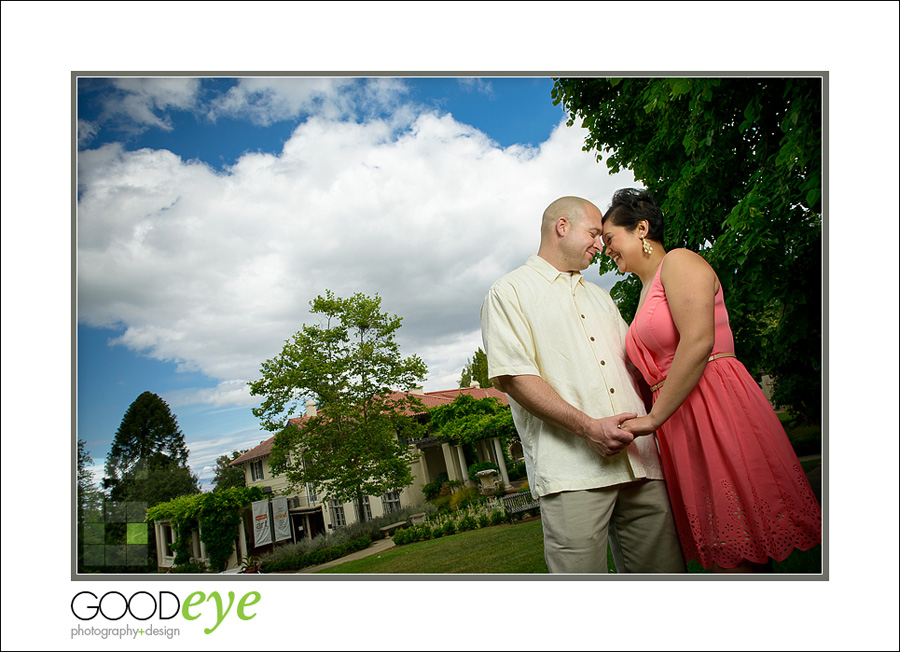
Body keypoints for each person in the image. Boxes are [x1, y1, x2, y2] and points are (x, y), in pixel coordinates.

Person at [602, 187, 822, 572]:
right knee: (724, 550)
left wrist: (653, 419)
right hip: (681, 420)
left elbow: (699, 340)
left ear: (641, 228)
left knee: (742, 542)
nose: (607, 251)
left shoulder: (680, 262)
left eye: (610, 239)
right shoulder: (642, 291)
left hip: (713, 404)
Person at [480, 196, 685, 573]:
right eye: (594, 234)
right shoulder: (508, 293)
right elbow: (514, 377)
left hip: (641, 464)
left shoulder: (601, 297)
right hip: (572, 472)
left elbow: (636, 367)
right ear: (562, 227)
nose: (600, 245)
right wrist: (589, 428)